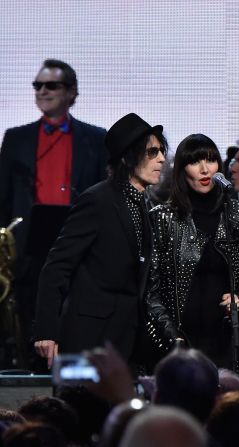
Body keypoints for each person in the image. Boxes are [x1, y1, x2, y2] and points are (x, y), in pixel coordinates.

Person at [33, 113, 166, 367]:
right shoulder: (98, 200)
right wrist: (46, 331)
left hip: (127, 339)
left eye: (161, 151)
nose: (161, 159)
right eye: (152, 152)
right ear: (128, 157)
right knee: (80, 406)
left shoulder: (144, 204)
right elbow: (57, 265)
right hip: (89, 336)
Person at [0, 59, 107, 367]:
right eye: (37, 85)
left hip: (79, 247)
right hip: (29, 250)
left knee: (76, 324)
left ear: (71, 92)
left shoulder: (96, 139)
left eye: (51, 85)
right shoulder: (16, 138)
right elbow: (3, 198)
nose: (42, 91)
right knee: (32, 324)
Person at [145, 133, 239, 373]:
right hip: (178, 342)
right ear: (182, 170)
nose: (205, 169)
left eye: (211, 160)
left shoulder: (237, 216)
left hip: (228, 342)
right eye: (195, 162)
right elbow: (149, 291)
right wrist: (172, 338)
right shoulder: (162, 218)